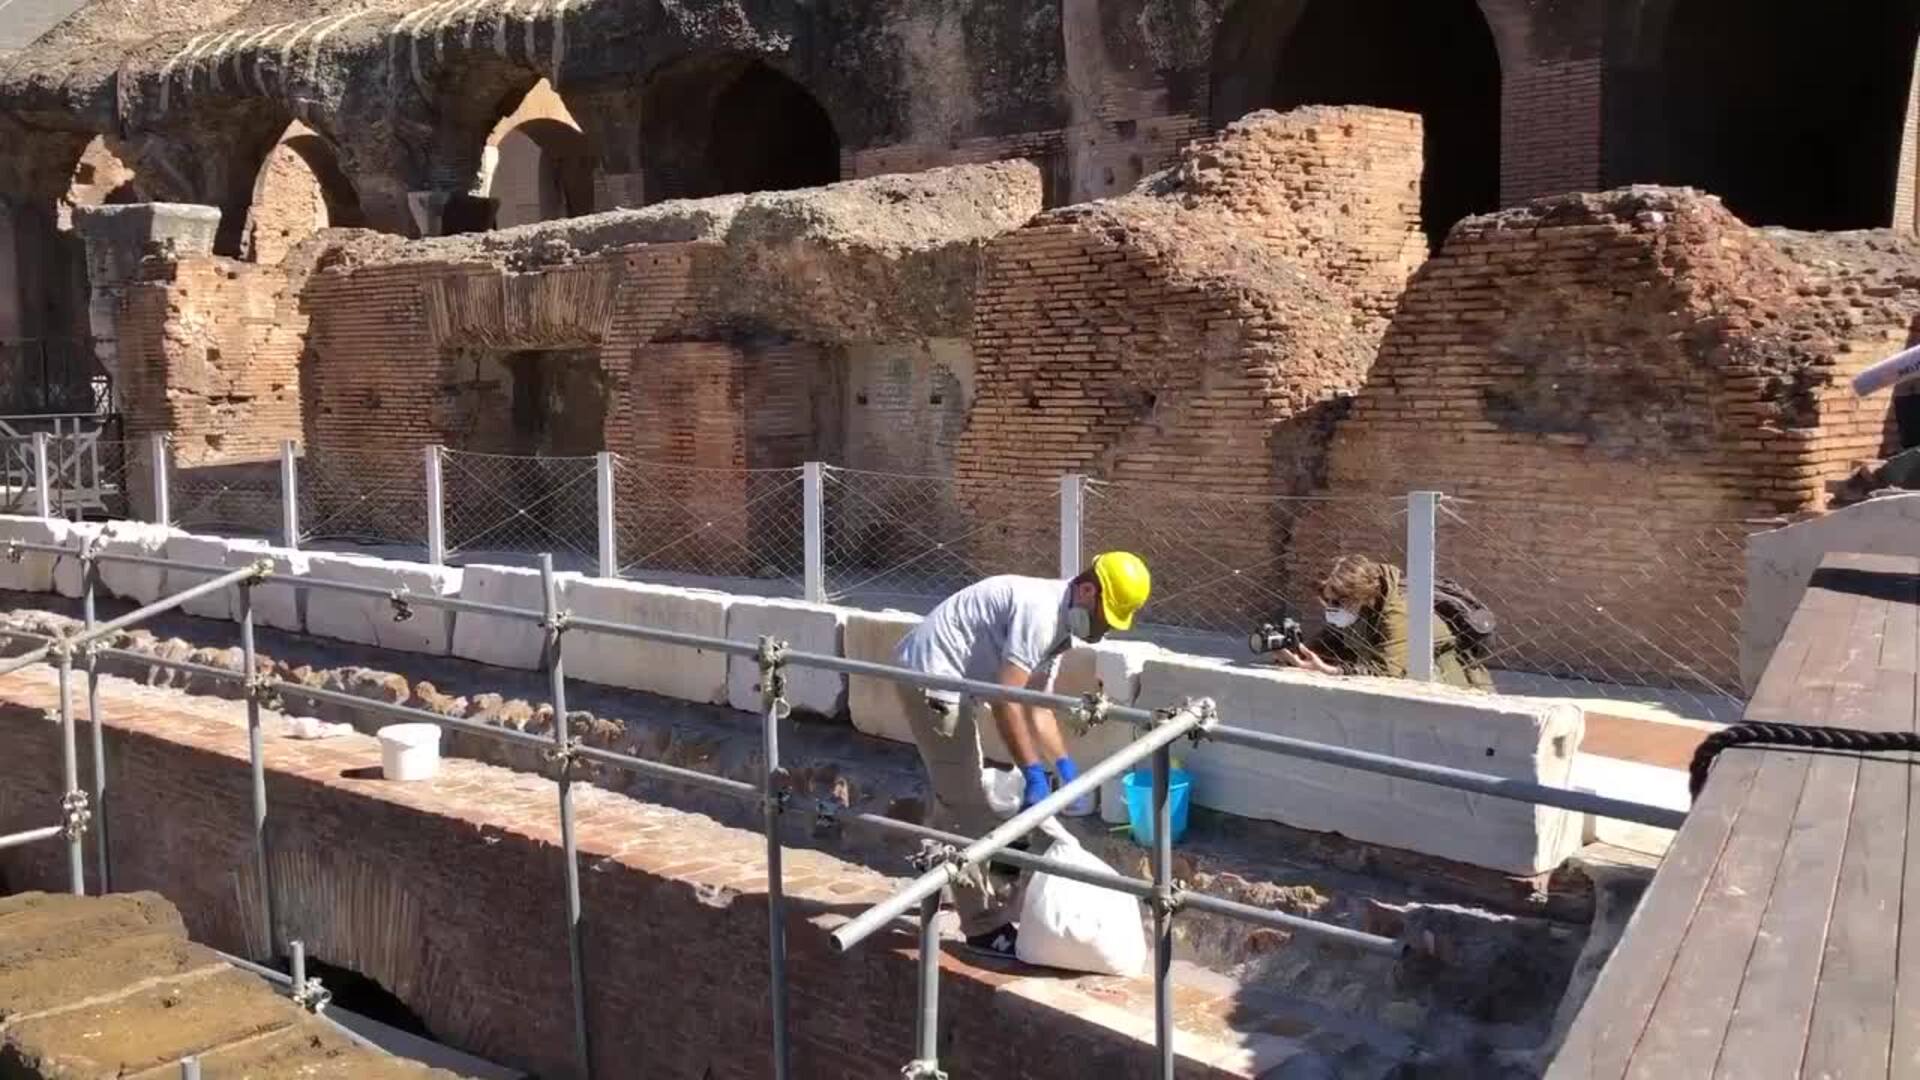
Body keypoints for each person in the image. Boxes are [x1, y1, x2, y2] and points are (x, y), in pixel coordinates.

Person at [892, 551, 1152, 957]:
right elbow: (1006, 699)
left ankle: (934, 881)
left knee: (954, 790)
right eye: (1103, 618)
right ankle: (983, 927)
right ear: (1086, 590)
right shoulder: (1041, 613)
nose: (1101, 631)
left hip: (949, 680)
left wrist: (1065, 768)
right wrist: (1033, 772)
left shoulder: (1060, 628)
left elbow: (1037, 705)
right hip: (932, 681)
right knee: (968, 806)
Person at [1272, 554, 1492, 690]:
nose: (1331, 607)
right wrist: (1295, 656)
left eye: (1338, 601)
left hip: (1452, 689)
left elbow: (1389, 672)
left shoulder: (1399, 613)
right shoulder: (1360, 609)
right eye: (1326, 599)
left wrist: (1333, 671)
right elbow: (1331, 645)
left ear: (1362, 594)